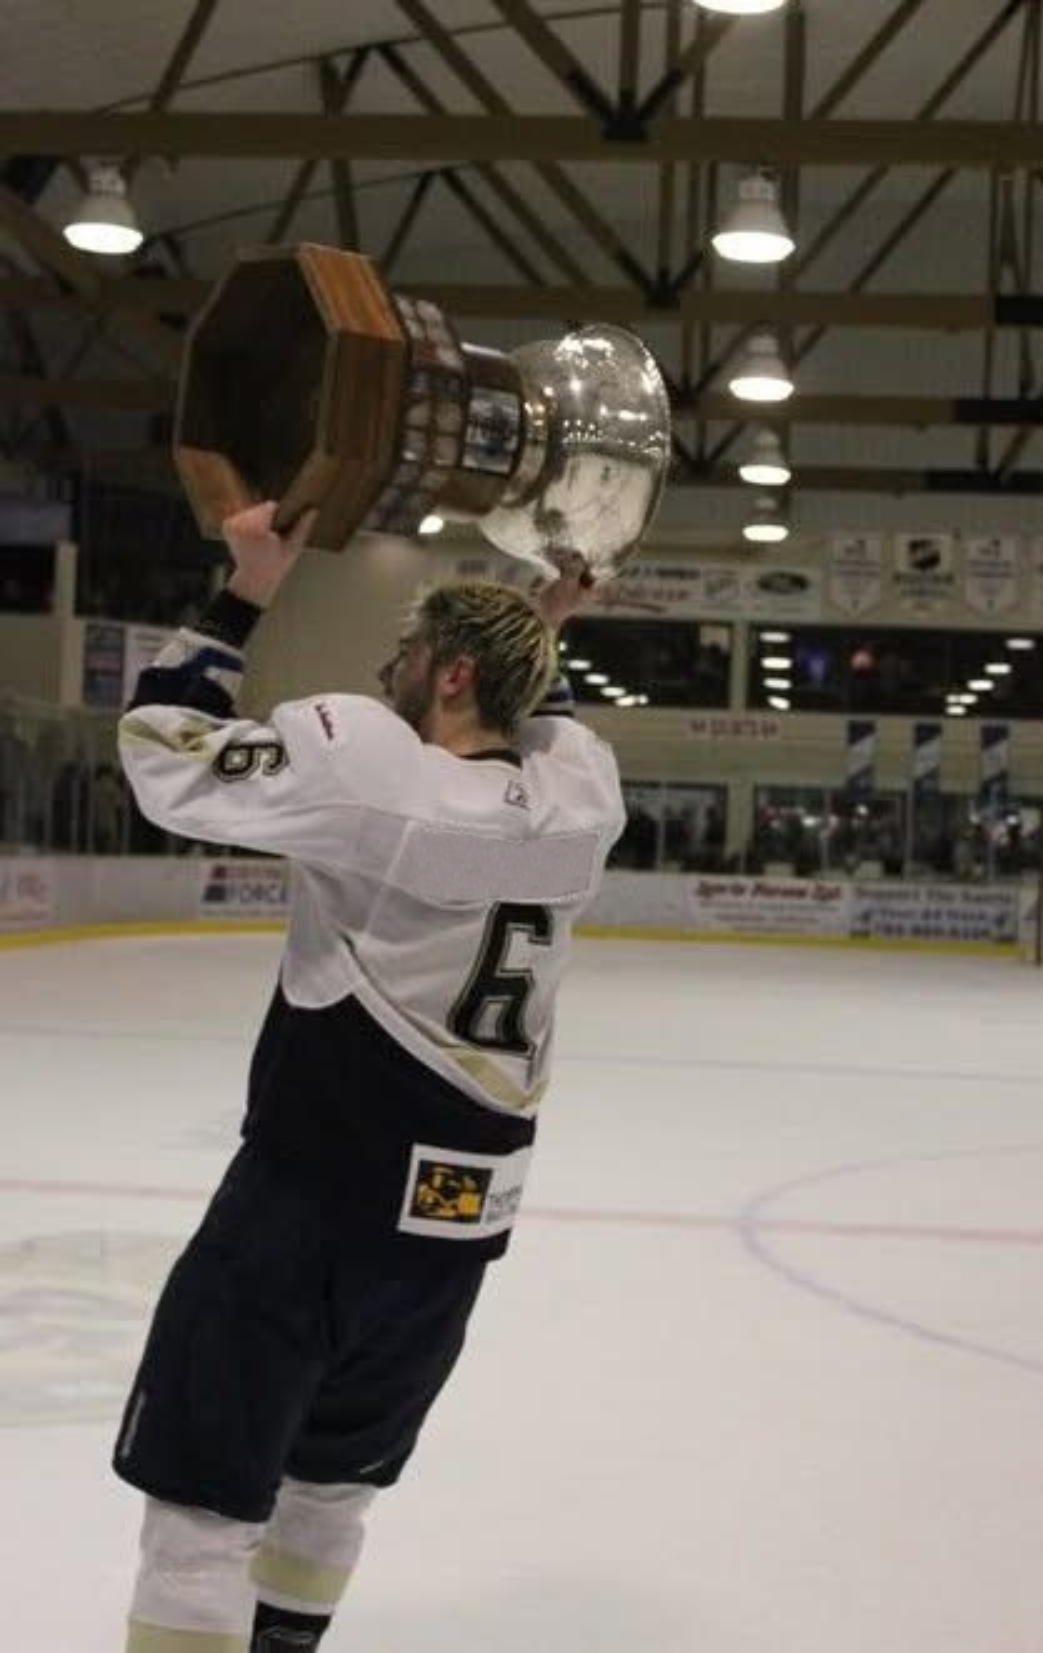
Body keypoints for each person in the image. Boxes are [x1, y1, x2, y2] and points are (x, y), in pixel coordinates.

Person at [113, 501, 625, 1653]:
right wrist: (535, 621)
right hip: (452, 1230)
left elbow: (160, 758)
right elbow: (530, 736)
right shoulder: (580, 805)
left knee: (200, 1513)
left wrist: (245, 589)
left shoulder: (367, 775)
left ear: (444, 674)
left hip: (311, 1206)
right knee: (332, 1489)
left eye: (402, 658)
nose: (380, 674)